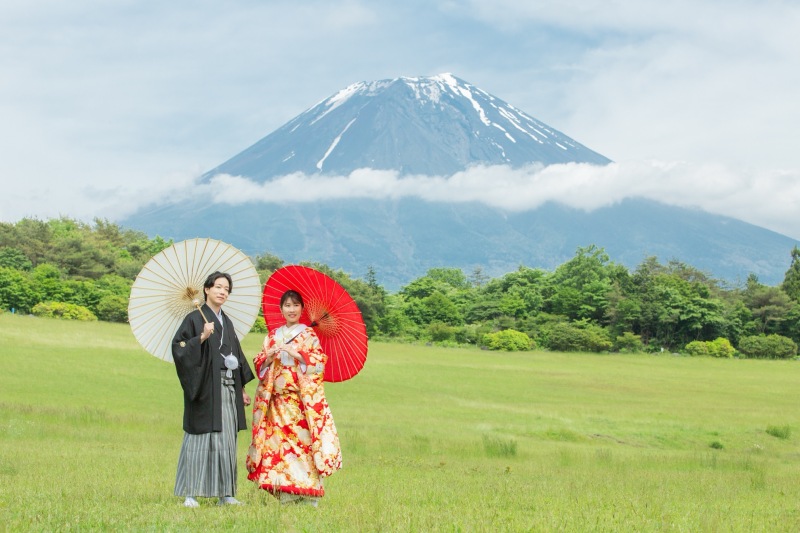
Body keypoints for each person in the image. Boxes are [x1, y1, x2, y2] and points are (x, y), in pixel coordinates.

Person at [246, 289, 342, 506]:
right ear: (281, 309)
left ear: (302, 309)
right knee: (276, 445)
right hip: (276, 401)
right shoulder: (272, 336)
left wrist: (298, 354)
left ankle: (308, 493)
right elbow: (259, 362)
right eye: (287, 305)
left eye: (296, 305)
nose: (291, 309)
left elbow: (318, 364)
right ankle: (284, 491)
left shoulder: (309, 335)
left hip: (299, 403)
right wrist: (269, 357)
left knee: (303, 446)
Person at [171, 271, 255, 507]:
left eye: (227, 289)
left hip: (228, 387)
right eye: (218, 287)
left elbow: (236, 355)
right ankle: (191, 493)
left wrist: (241, 389)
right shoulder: (193, 319)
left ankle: (226, 493)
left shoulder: (226, 321)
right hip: (204, 386)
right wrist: (200, 337)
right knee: (200, 438)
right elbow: (178, 347)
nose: (222, 292)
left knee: (227, 440)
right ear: (206, 290)